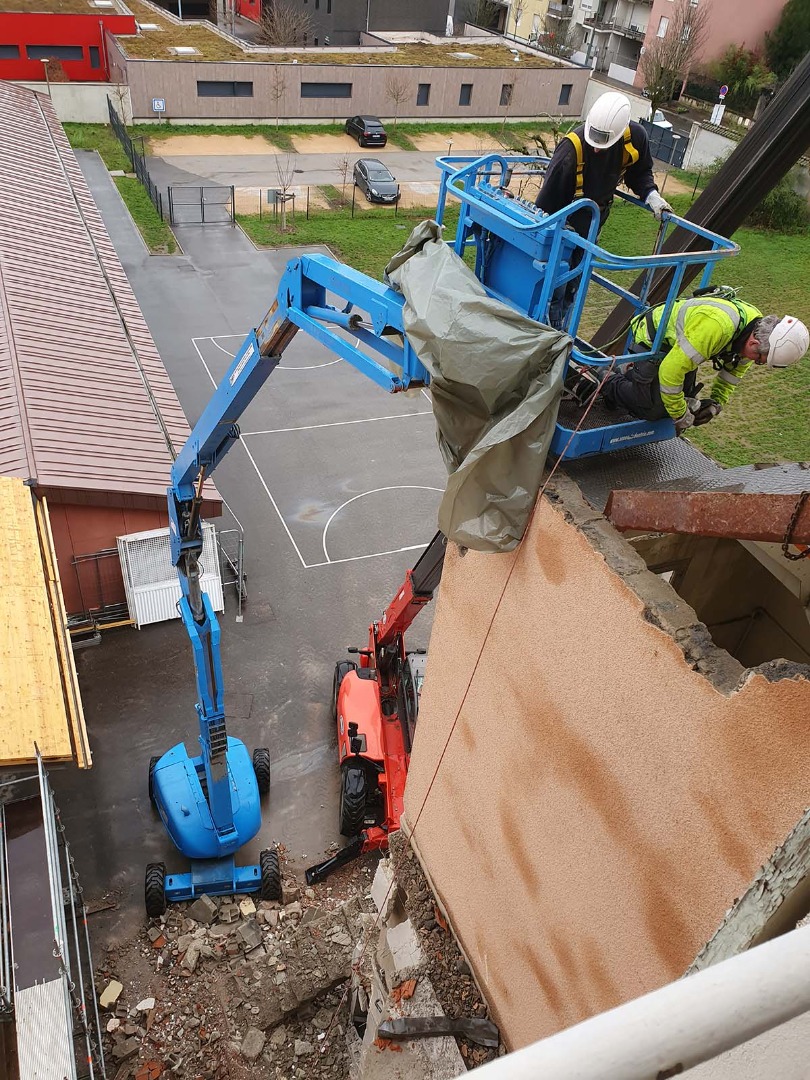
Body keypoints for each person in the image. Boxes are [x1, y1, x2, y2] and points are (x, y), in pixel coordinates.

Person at [535, 91, 672, 327]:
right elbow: (545, 204)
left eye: (604, 143)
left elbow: (639, 172)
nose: (597, 149)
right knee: (554, 284)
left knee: (574, 282)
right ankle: (549, 327)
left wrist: (651, 194)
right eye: (594, 140)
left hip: (593, 222)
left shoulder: (634, 138)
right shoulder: (571, 150)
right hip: (563, 223)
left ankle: (560, 328)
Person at [596, 294, 809, 433]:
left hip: (679, 347)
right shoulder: (718, 328)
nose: (756, 363)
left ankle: (633, 378)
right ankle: (605, 378)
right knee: (652, 409)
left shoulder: (756, 330)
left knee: (681, 398)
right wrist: (680, 415)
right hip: (654, 338)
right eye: (760, 361)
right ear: (754, 343)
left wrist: (716, 404)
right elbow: (670, 373)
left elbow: (731, 376)